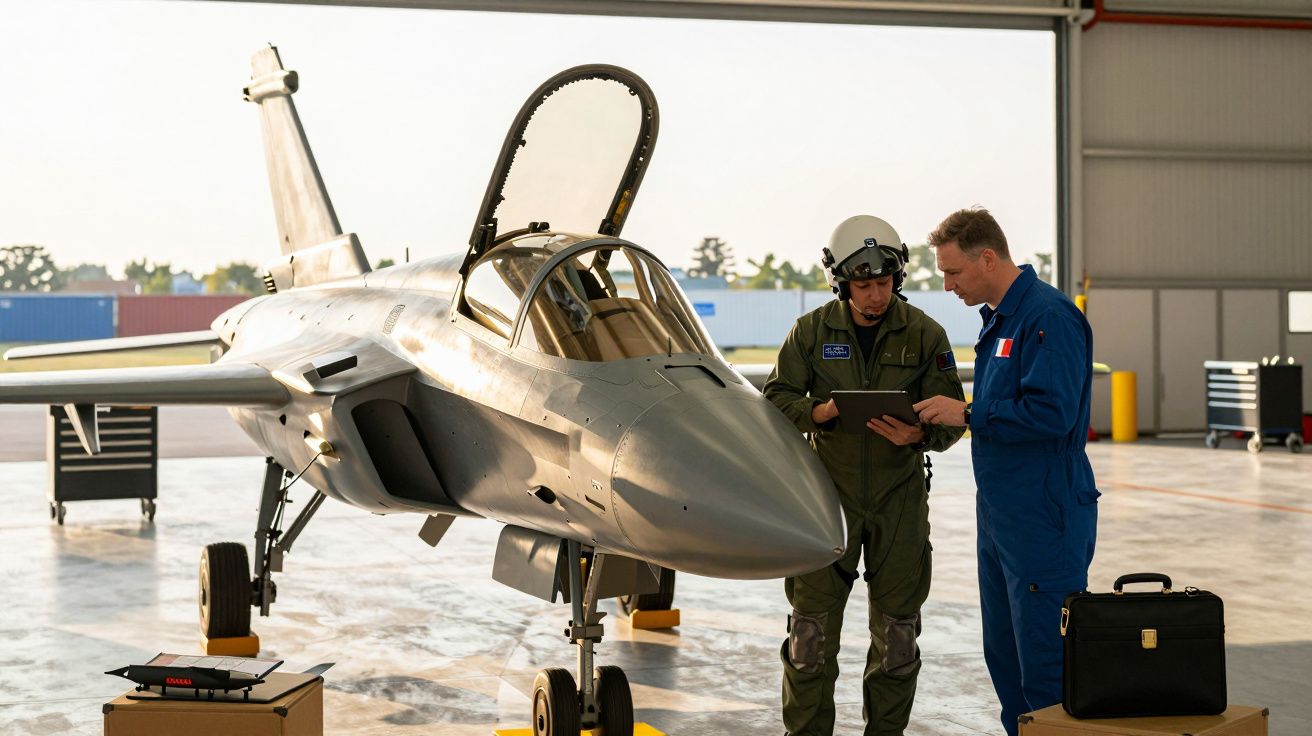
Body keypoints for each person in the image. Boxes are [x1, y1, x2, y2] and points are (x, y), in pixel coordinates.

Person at [764, 215, 966, 736]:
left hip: (899, 497)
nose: (876, 295)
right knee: (809, 637)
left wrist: (918, 436)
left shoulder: (925, 334)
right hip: (826, 496)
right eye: (863, 285)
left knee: (898, 638)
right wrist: (820, 413)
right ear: (841, 282)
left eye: (883, 283)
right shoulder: (810, 333)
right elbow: (774, 401)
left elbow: (952, 414)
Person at [913, 207, 1098, 736]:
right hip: (1001, 516)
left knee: (1045, 665)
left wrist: (967, 414)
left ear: (988, 258)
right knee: (1006, 659)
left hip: (1044, 513)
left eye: (954, 273)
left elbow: (1052, 413)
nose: (947, 286)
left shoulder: (1048, 317)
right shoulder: (1002, 319)